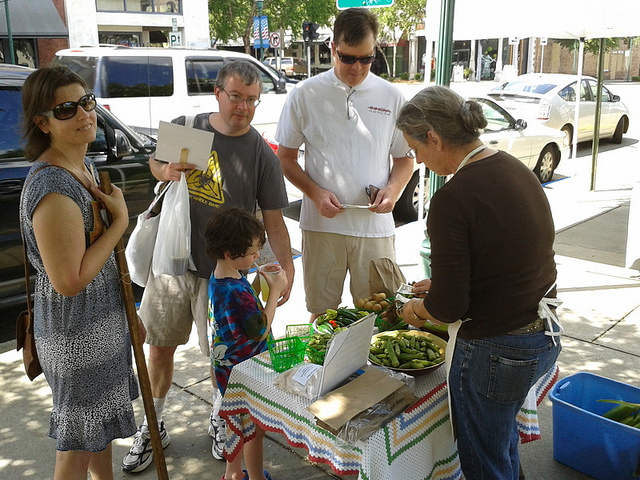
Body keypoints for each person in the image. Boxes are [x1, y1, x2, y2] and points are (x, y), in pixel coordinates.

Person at [121, 61, 295, 472]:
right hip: (174, 262)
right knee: (159, 345)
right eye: (236, 96)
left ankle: (221, 417)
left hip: (226, 272)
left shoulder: (260, 153)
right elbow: (155, 162)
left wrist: (285, 269)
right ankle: (153, 424)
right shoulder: (189, 126)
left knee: (226, 356)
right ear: (218, 92)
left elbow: (274, 219)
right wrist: (165, 170)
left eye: (252, 99)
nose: (244, 107)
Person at [395, 85, 562, 480]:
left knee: (484, 461)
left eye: (415, 149)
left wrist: (416, 310)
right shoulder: (513, 166)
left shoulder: (452, 197)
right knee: (500, 440)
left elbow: (448, 309)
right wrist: (441, 284)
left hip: (498, 349)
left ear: (433, 137)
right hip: (545, 335)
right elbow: (505, 256)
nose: (416, 159)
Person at [19, 65, 139, 480]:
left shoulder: (81, 168)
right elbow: (68, 281)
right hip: (76, 334)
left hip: (101, 323)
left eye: (86, 102)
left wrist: (129, 315)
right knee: (76, 448)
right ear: (43, 122)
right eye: (66, 109)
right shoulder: (52, 188)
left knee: (99, 431)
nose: (85, 114)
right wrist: (120, 221)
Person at [275, 7, 413, 320]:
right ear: (332, 48)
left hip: (374, 229)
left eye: (366, 58)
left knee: (383, 317)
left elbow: (405, 158)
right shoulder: (305, 94)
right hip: (322, 228)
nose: (357, 68)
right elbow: (285, 158)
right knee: (323, 318)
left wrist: (392, 190)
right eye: (348, 58)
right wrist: (315, 193)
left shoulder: (392, 96)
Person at [205, 207, 286, 480]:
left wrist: (255, 272)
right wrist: (274, 290)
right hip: (245, 370)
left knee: (234, 424)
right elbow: (260, 329)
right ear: (230, 254)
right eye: (252, 253)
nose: (257, 257)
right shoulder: (236, 291)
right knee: (253, 430)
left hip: (226, 368)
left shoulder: (219, 279)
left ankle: (233, 473)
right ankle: (254, 476)